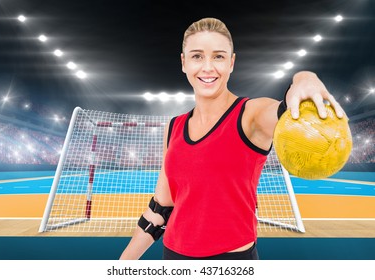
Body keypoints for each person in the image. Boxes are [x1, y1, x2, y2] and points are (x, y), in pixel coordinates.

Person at [119, 17, 345, 260]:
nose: (207, 67)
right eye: (197, 56)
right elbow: (160, 209)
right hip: (173, 258)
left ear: (231, 62)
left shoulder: (251, 115)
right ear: (184, 63)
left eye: (218, 56)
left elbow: (285, 108)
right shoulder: (174, 127)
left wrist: (305, 78)